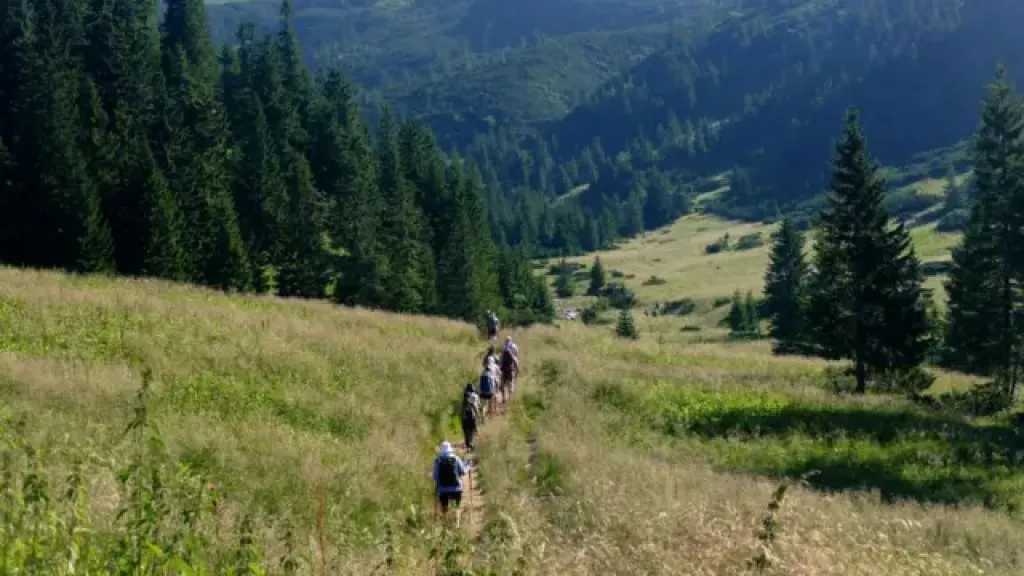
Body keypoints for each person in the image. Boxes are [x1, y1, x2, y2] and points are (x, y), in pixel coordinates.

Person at [433, 441, 469, 524]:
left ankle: (445, 524)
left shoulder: (437, 460)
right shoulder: (455, 459)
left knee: (444, 508)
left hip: (443, 490)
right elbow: (463, 472)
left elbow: (435, 477)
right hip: (456, 489)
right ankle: (456, 524)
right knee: (455, 507)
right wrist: (468, 467)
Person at [461, 383, 480, 450]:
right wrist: (477, 414)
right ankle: (471, 444)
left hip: (464, 417)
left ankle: (468, 445)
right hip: (471, 416)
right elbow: (475, 407)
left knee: (466, 432)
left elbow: (462, 410)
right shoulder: (474, 397)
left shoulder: (464, 399)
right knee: (471, 431)